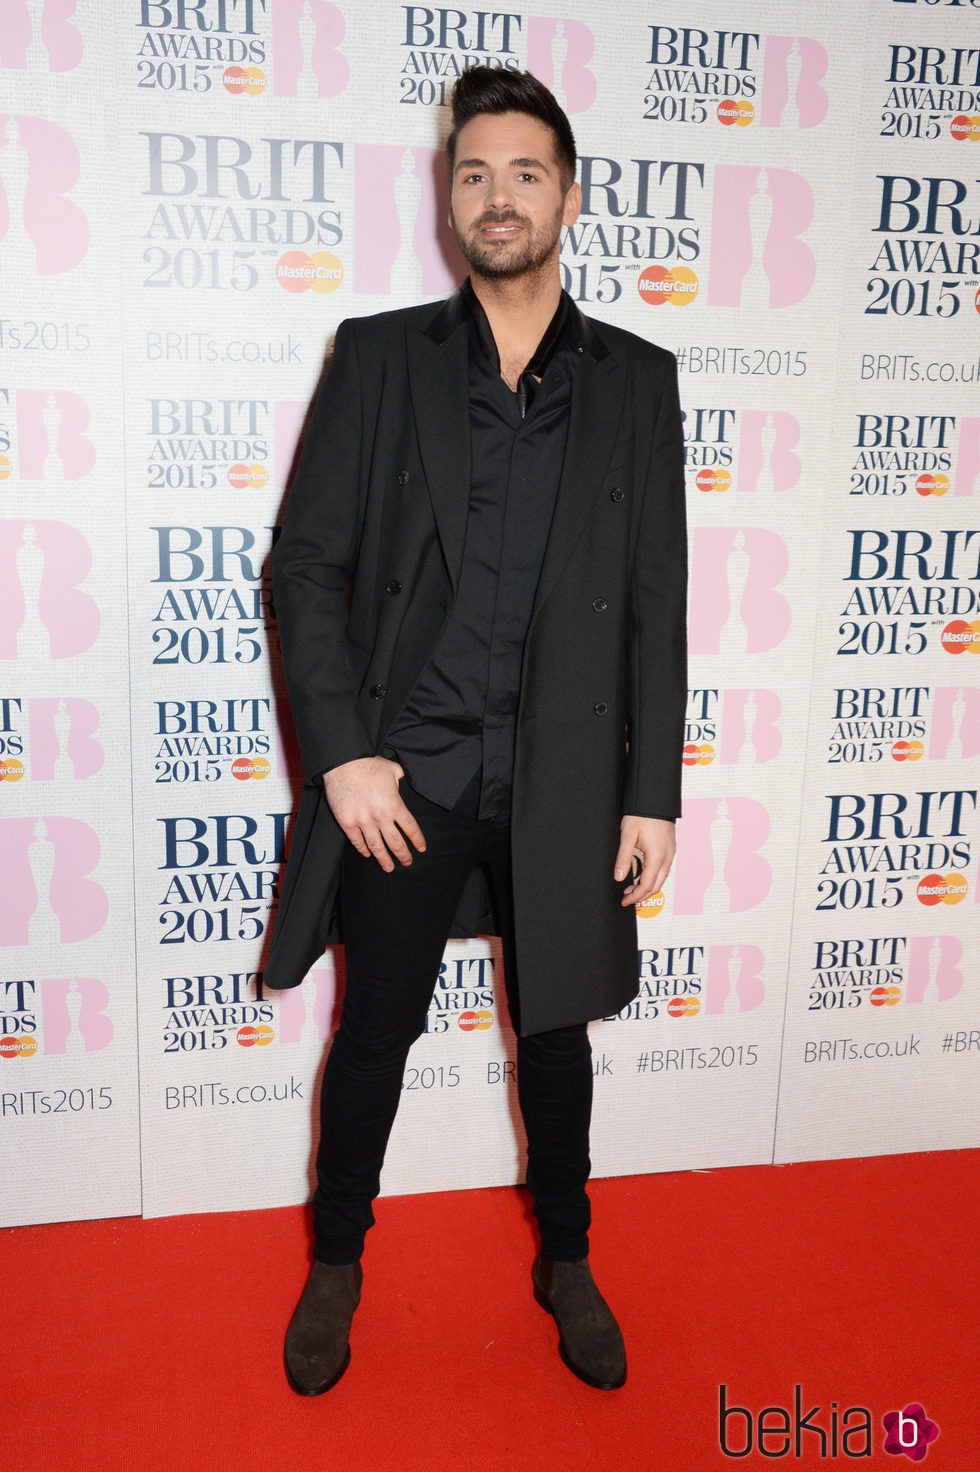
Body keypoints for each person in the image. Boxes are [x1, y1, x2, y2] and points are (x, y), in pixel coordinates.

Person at [265, 65, 687, 1396]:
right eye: (471, 173)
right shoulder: (381, 358)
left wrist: (652, 790)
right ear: (447, 198)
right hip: (414, 776)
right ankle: (338, 1262)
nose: (494, 197)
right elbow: (303, 570)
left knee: (555, 1036)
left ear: (567, 191)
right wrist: (342, 752)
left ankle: (566, 1260)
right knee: (375, 1030)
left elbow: (658, 602)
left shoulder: (636, 381)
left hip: (566, 780)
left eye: (522, 172)